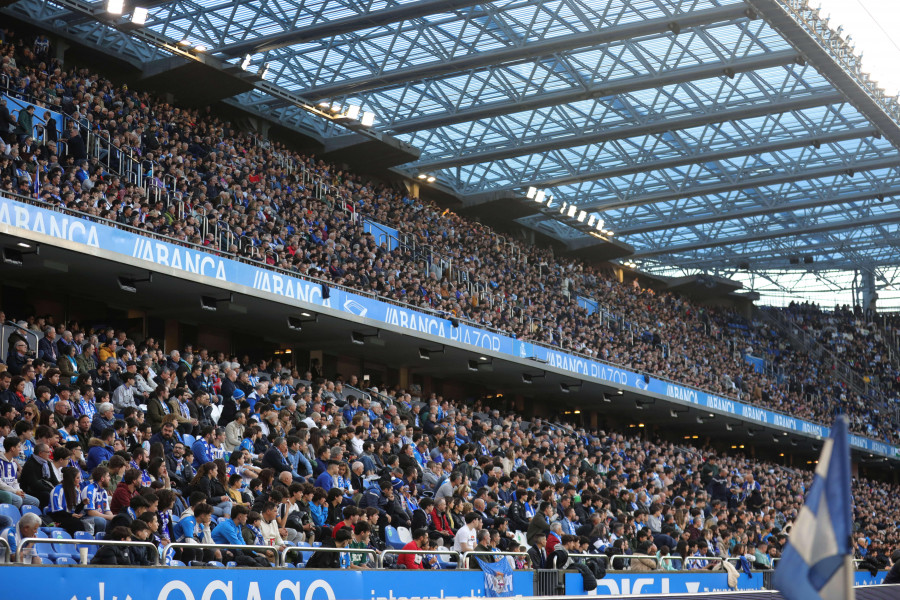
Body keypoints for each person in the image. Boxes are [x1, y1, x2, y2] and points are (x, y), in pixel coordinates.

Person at [48, 466, 86, 535]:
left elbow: (75, 511)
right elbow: (56, 512)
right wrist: (71, 515)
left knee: (83, 522)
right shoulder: (57, 490)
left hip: (69, 517)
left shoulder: (76, 491)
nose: (79, 480)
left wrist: (83, 503)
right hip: (57, 519)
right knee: (76, 523)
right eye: (77, 478)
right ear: (71, 479)